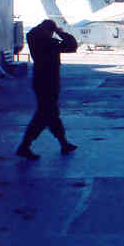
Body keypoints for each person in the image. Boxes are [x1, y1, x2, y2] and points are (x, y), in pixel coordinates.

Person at [16, 19, 79, 159]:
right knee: (44, 116)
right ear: (48, 30)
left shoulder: (36, 38)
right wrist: (60, 32)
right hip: (47, 83)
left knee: (50, 114)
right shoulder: (45, 42)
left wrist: (52, 31)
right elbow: (72, 46)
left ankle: (63, 143)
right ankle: (25, 146)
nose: (52, 34)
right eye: (51, 31)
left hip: (44, 82)